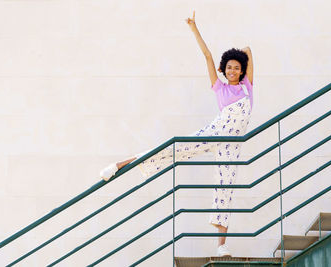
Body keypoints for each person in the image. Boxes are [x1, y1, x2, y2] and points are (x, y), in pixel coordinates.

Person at [99, 11, 254, 257]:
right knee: (174, 149)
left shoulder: (247, 86)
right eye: (229, 67)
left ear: (242, 71)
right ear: (223, 70)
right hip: (214, 133)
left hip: (232, 146)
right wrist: (194, 28)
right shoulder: (219, 87)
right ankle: (118, 164)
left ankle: (221, 244)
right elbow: (207, 55)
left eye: (237, 67)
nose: (233, 70)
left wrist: (239, 59)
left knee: (225, 188)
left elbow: (247, 50)